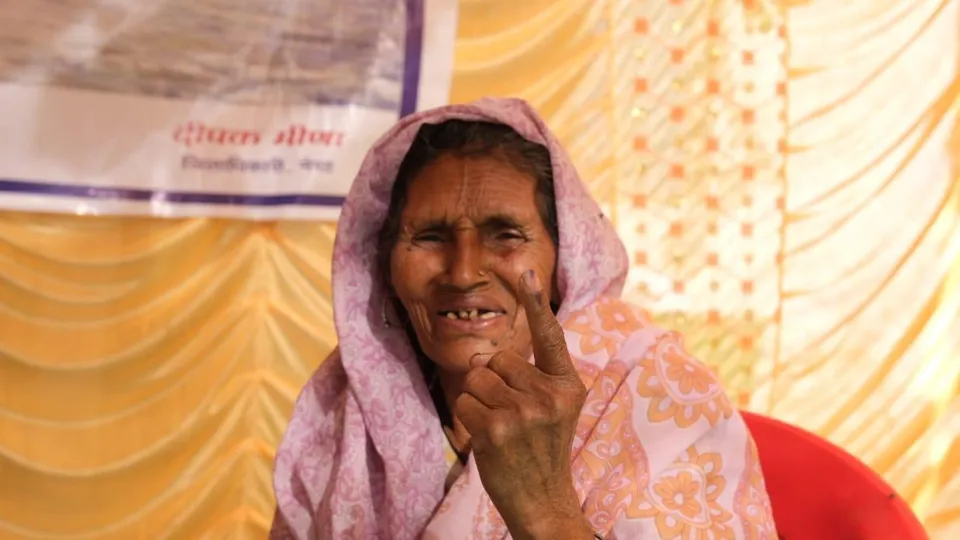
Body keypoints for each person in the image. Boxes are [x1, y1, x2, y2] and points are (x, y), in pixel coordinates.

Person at [271, 98, 778, 539]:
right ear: (384, 265)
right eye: (429, 236)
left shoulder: (663, 401)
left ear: (565, 261)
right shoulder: (347, 407)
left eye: (505, 235)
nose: (464, 271)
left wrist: (547, 513)